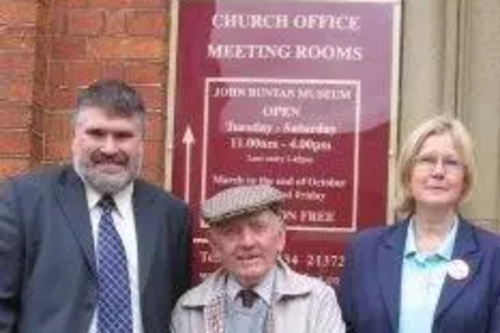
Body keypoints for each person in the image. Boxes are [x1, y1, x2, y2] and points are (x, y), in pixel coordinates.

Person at [0, 79, 191, 333]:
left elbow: (177, 307)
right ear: (75, 137)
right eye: (97, 133)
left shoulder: (171, 214)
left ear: (141, 143)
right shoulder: (25, 200)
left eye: (123, 135)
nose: (110, 148)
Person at [339, 115, 500, 333]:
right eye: (427, 160)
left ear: (465, 179)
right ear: (408, 174)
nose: (438, 172)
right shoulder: (364, 250)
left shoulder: (494, 255)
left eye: (451, 162)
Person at [170, 184, 345, 333]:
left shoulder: (317, 300)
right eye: (231, 231)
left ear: (280, 238)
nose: (247, 242)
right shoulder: (189, 309)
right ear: (215, 246)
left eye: (258, 227)